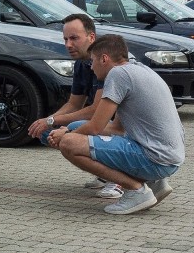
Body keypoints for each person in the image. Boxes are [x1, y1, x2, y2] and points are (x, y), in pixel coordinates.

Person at [47, 34, 184, 215]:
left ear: (104, 59)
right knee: (75, 129)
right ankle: (154, 182)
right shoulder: (138, 69)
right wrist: (70, 130)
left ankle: (136, 191)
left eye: (93, 61)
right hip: (169, 158)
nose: (91, 67)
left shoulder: (117, 74)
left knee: (69, 144)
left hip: (156, 159)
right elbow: (117, 129)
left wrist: (65, 136)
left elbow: (95, 126)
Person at [27, 14, 121, 199]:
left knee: (73, 129)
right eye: (65, 39)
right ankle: (104, 173)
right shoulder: (80, 64)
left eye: (74, 38)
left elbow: (96, 109)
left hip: (122, 127)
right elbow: (74, 103)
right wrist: (47, 121)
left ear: (91, 37)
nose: (68, 45)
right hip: (100, 124)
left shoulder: (106, 62)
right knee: (47, 132)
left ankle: (119, 178)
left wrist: (54, 120)